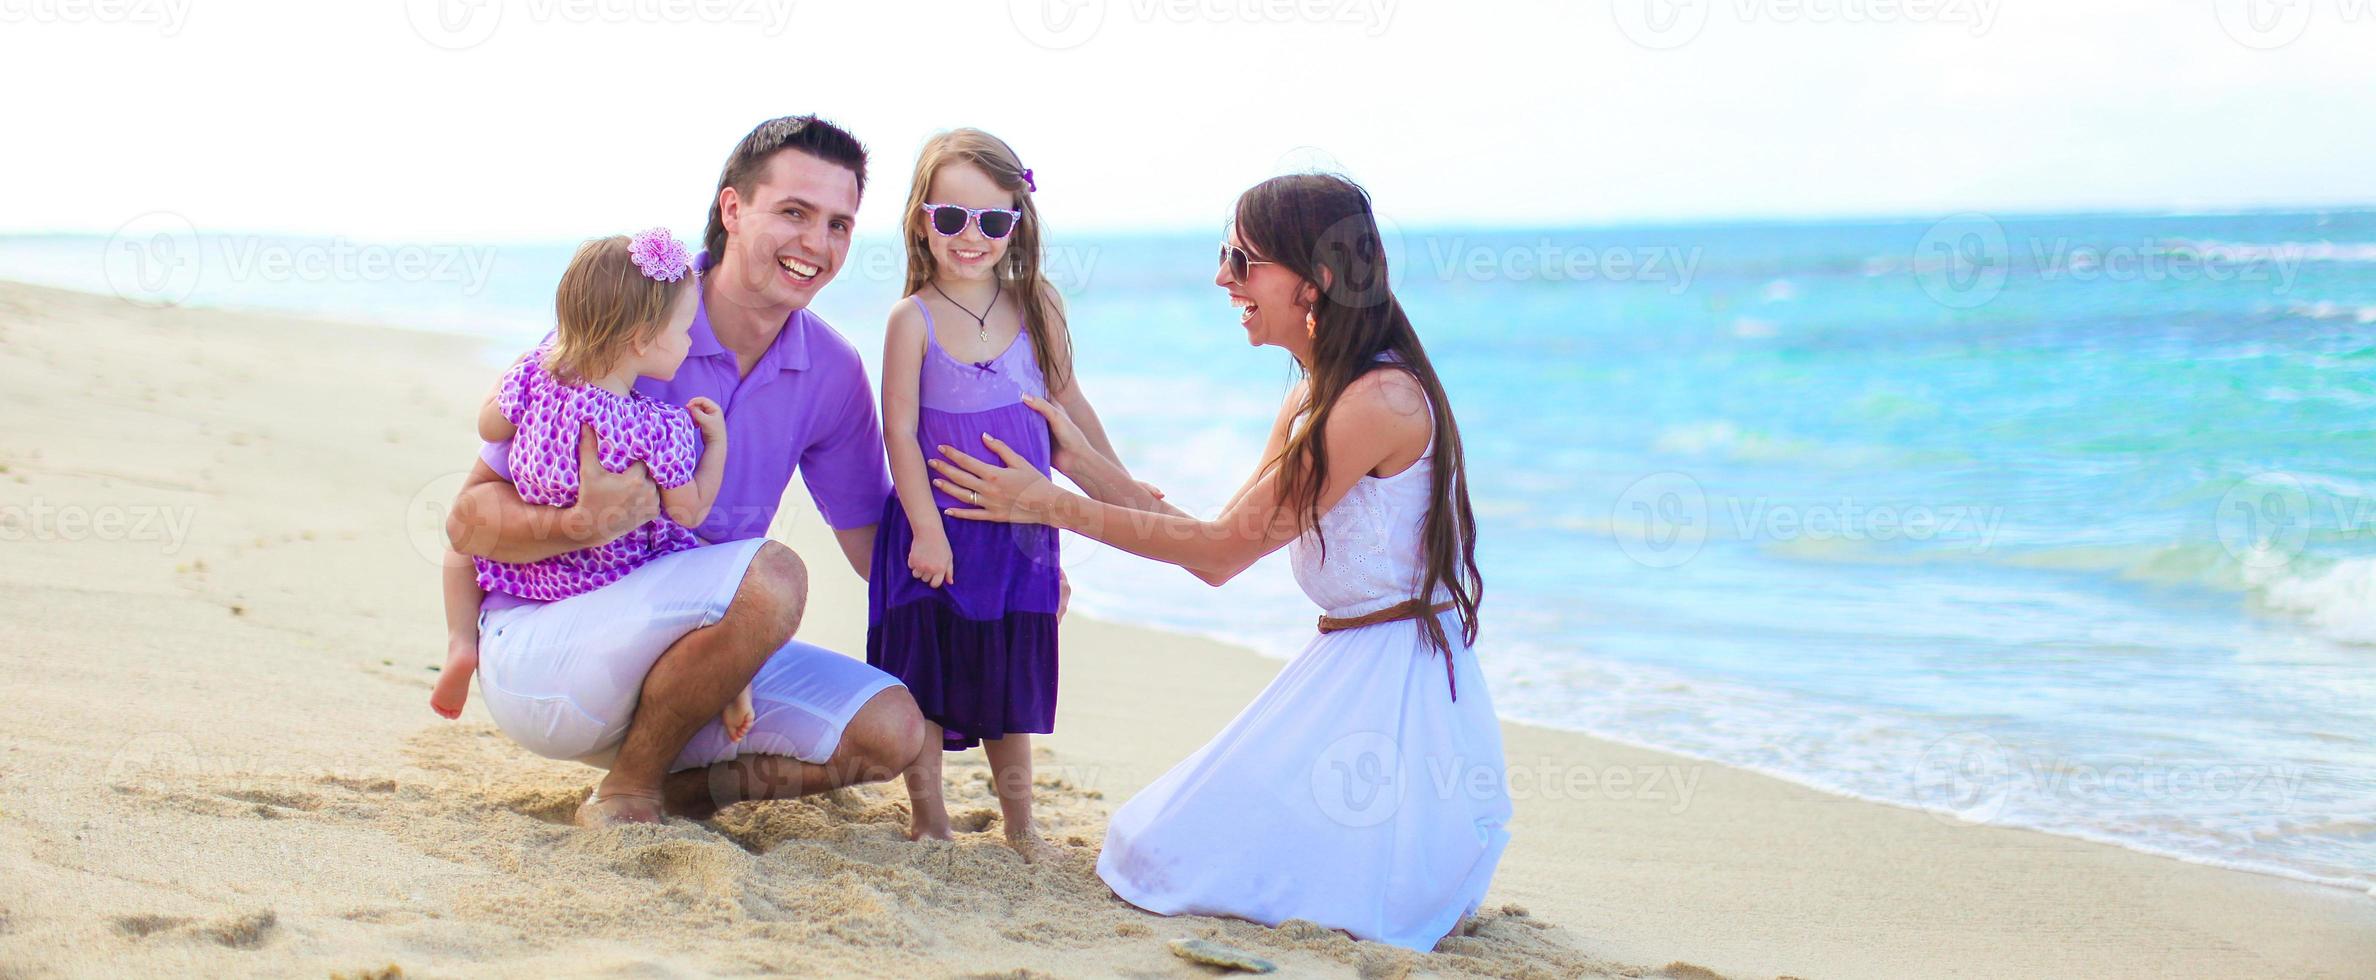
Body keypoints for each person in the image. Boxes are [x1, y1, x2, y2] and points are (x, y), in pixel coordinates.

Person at [925, 173, 1512, 949]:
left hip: (1398, 699)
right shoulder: (1315, 394)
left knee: (1171, 859)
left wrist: (1046, 503)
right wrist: (1077, 464)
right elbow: (1208, 532)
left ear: (1319, 278)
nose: (1223, 278)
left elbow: (1218, 557)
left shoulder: (1379, 401)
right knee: (1148, 845)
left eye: (1243, 259)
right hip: (1344, 669)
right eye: (1224, 254)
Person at [443, 116, 929, 826]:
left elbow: (873, 545)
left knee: (890, 731)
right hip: (549, 654)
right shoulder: (631, 320)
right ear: (733, 209)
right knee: (775, 575)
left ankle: (673, 795)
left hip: (695, 673)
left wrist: (1002, 560)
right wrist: (578, 523)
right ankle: (629, 793)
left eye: (839, 225)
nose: (816, 245)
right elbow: (466, 522)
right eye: (794, 213)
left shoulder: (832, 369)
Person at [867, 129, 1133, 859]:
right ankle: (931, 817)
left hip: (1019, 534)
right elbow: (898, 433)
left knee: (1011, 670)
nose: (971, 236)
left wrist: (1124, 488)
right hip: (938, 528)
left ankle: (1022, 825)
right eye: (951, 218)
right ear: (923, 219)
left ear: (1017, 221)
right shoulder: (910, 319)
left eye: (992, 219)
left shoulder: (1036, 304)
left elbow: (1070, 402)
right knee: (924, 671)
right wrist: (925, 529)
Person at [431, 229, 748, 746]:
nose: (691, 343)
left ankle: (460, 644)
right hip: (609, 583)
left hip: (529, 573)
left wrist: (513, 371)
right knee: (708, 568)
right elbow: (689, 511)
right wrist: (717, 446)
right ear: (643, 340)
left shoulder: (535, 376)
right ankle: (733, 678)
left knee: (462, 548)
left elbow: (490, 427)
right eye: (686, 330)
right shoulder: (656, 427)